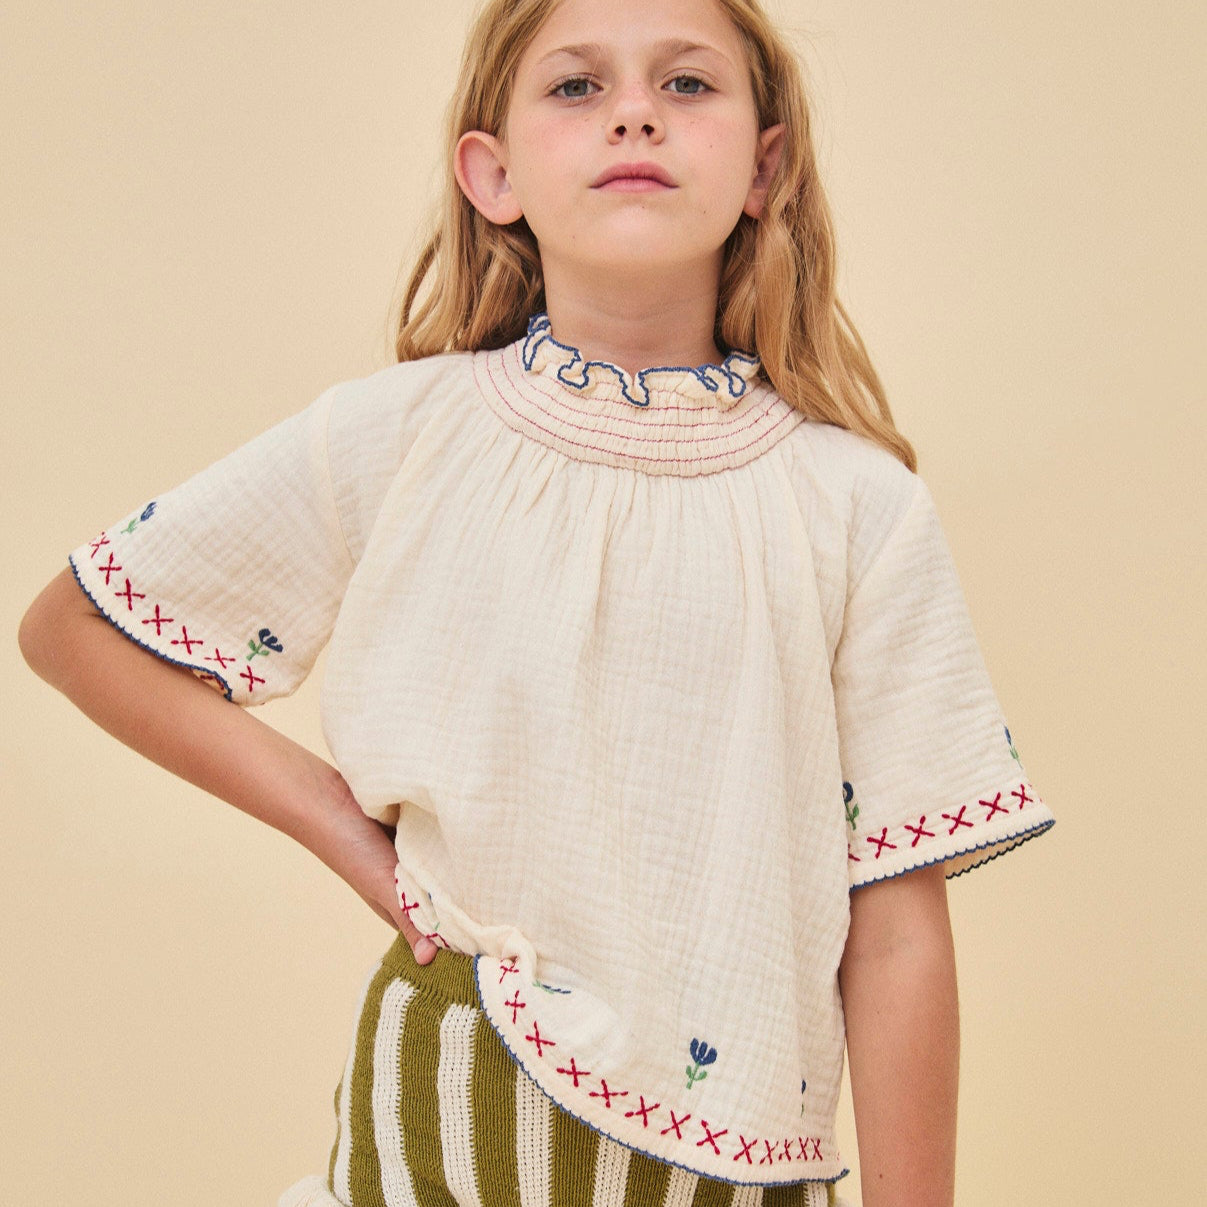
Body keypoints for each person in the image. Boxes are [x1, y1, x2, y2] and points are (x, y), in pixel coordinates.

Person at [18, 0, 1055, 1204]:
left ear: (766, 167)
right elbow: (72, 629)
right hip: (444, 1110)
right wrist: (343, 831)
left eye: (687, 84)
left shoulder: (858, 506)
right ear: (492, 174)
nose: (634, 113)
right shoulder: (401, 436)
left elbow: (897, 922)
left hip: (745, 1157)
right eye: (576, 86)